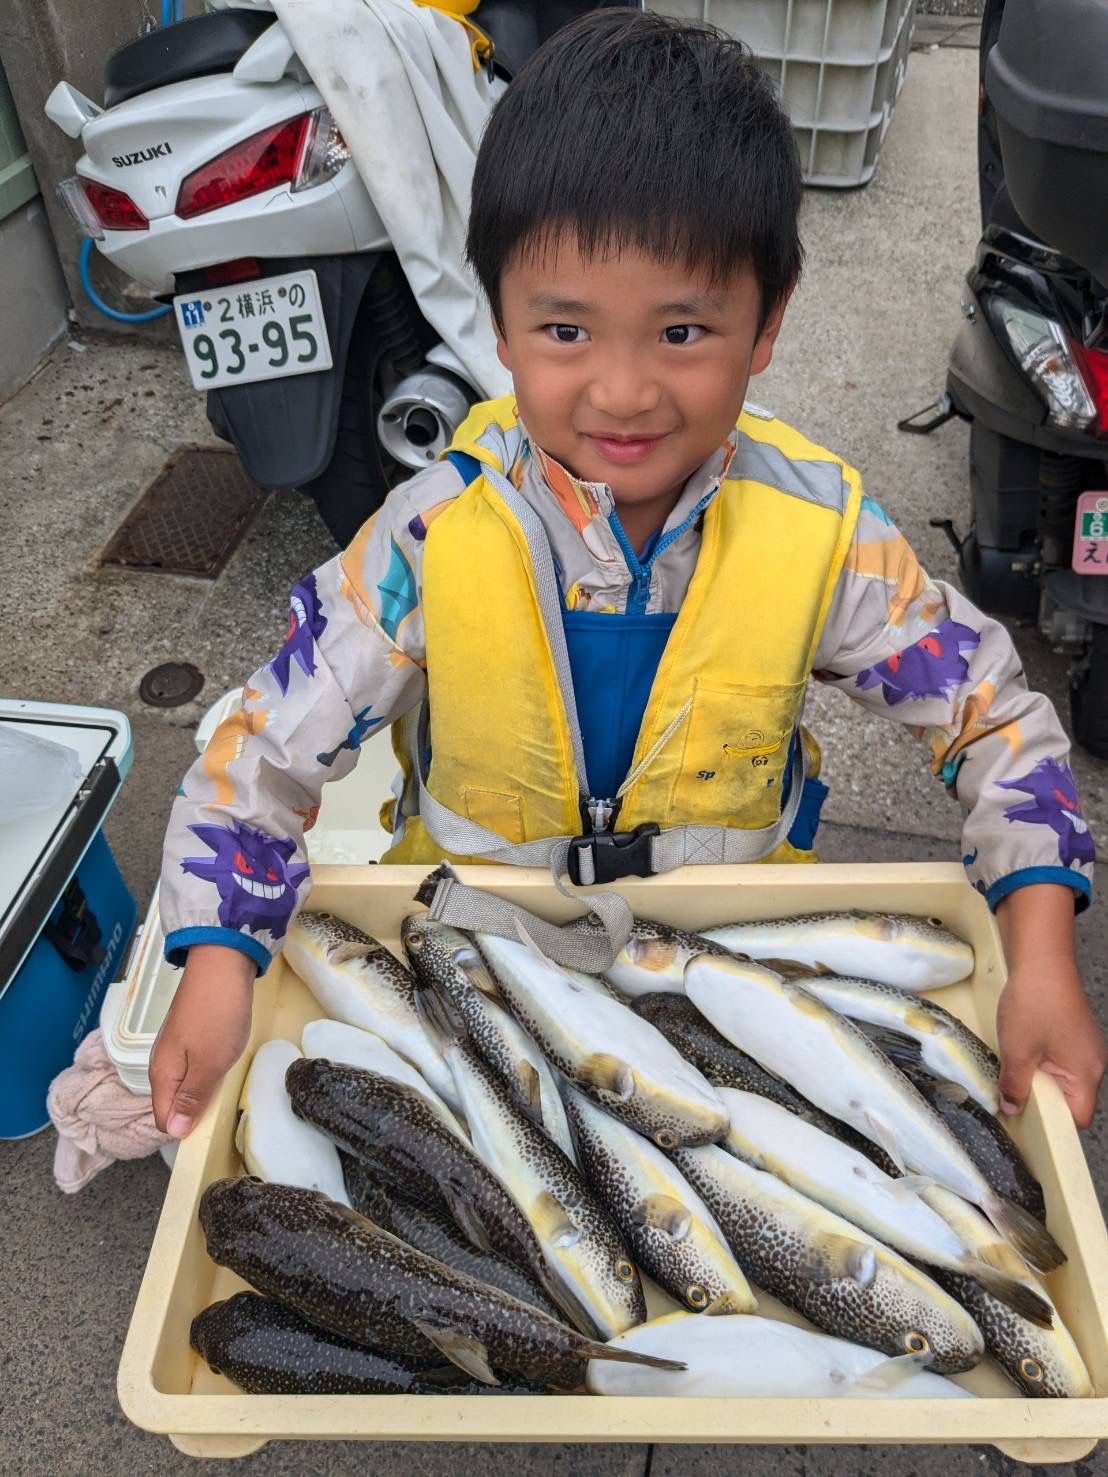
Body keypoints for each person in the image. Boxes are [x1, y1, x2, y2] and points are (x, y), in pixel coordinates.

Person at [151, 8, 1105, 1141]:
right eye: (565, 331)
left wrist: (1042, 950)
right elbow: (257, 750)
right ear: (498, 324)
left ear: (767, 322)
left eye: (681, 332)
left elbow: (994, 716)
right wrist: (219, 957)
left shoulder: (824, 533)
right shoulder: (427, 537)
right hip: (471, 969)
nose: (622, 392)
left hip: (728, 986)